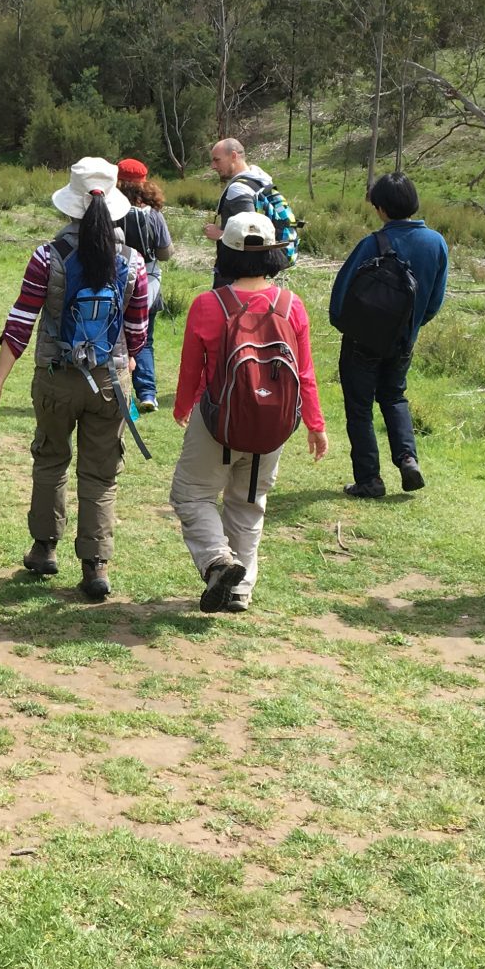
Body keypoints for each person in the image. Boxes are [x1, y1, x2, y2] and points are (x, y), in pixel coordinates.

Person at [0, 157, 152, 602]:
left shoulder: (46, 256)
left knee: (50, 459)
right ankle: (95, 565)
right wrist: (129, 366)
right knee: (100, 473)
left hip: (56, 377)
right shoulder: (133, 262)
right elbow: (138, 333)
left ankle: (43, 548)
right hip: (109, 381)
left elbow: (20, 321)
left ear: (69, 206)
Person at [170, 213, 328, 614]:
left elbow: (192, 367)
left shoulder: (209, 304)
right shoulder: (292, 306)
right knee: (248, 504)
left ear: (226, 251)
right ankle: (241, 590)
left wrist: (183, 406)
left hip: (217, 420)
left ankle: (218, 562)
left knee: (192, 495)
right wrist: (315, 424)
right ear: (273, 255)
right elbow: (305, 371)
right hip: (272, 424)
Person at [328, 172, 449, 498]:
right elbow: (435, 301)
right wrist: (410, 328)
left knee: (360, 407)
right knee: (394, 397)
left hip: (361, 342)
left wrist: (344, 325)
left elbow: (341, 293)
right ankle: (407, 458)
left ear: (380, 208)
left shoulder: (371, 244)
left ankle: (370, 480)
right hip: (403, 341)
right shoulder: (436, 243)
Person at [115, 158, 174, 412]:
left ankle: (117, 393)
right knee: (145, 340)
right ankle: (147, 393)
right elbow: (165, 253)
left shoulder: (110, 210)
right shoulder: (154, 215)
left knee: (116, 338)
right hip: (148, 281)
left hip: (116, 280)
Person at [202, 139, 283, 289]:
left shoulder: (238, 189)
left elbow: (250, 234)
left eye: (217, 160)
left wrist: (219, 233)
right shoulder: (260, 180)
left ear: (233, 156)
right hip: (258, 272)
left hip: (237, 272)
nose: (213, 166)